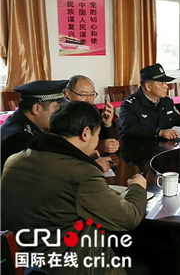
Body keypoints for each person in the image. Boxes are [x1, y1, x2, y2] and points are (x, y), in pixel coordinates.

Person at [1, 101, 147, 275]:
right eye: (97, 135)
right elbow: (129, 218)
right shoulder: (83, 174)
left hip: (27, 263)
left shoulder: (14, 160)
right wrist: (138, 187)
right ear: (85, 133)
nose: (96, 142)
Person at [1, 80, 67, 171]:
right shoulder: (18, 139)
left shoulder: (21, 118)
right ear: (36, 109)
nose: (60, 113)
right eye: (57, 108)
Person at [120, 63, 180, 139]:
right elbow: (129, 128)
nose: (166, 86)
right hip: (138, 148)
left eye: (165, 83)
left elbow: (177, 118)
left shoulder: (166, 101)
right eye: (161, 84)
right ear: (148, 86)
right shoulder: (130, 104)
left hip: (163, 147)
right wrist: (159, 133)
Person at [65, 75, 120, 154]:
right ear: (68, 93)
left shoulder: (93, 109)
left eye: (92, 94)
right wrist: (102, 146)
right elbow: (67, 145)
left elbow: (113, 141)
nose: (89, 99)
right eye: (84, 95)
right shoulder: (63, 113)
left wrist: (107, 124)